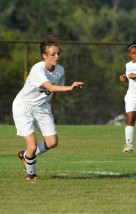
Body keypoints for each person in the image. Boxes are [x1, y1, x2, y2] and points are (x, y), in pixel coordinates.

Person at [12, 35, 84, 180]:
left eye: (58, 53)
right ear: (44, 55)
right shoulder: (38, 69)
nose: (57, 56)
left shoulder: (60, 70)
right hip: (24, 106)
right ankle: (31, 175)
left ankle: (25, 156)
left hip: (42, 107)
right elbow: (50, 86)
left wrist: (52, 108)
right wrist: (70, 87)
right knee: (32, 146)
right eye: (53, 54)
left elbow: (53, 91)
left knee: (52, 142)